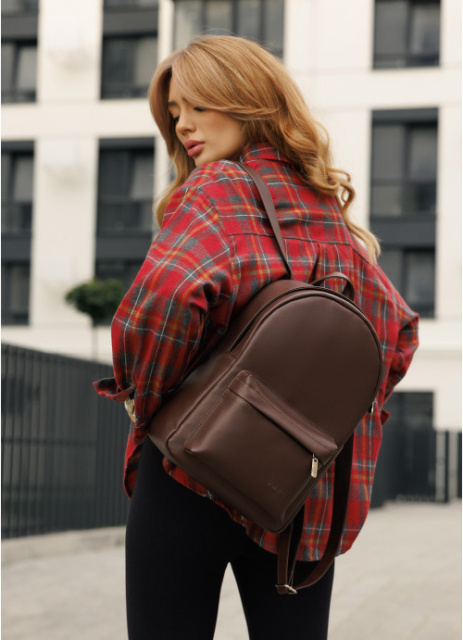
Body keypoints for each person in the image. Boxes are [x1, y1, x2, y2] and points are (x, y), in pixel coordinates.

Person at [94, 35, 419, 640]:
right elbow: (395, 337)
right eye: (175, 113)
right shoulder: (328, 213)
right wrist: (315, 417)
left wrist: (148, 397)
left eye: (199, 105)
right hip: (298, 493)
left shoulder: (218, 189)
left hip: (192, 470)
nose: (183, 125)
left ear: (248, 100)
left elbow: (159, 305)